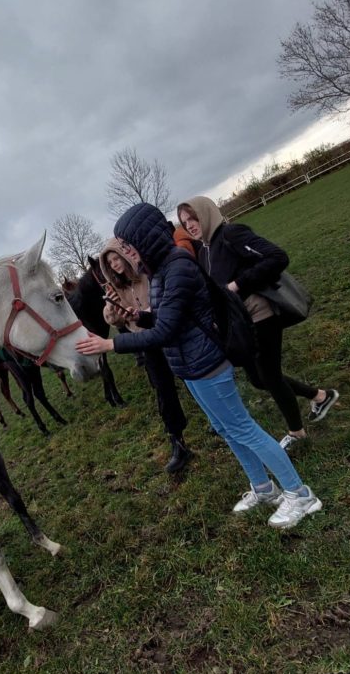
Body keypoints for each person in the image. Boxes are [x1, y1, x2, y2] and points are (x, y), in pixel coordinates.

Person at [77, 203, 323, 529]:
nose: (126, 253)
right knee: (226, 429)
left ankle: (299, 493)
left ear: (144, 239)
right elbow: (167, 320)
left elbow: (164, 332)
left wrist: (110, 344)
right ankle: (264, 488)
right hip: (189, 366)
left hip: (206, 363)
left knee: (242, 427)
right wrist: (137, 316)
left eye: (127, 245)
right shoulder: (161, 271)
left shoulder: (177, 268)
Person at [177, 196, 338, 451]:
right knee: (257, 378)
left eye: (193, 218)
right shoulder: (205, 251)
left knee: (270, 376)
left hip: (261, 314)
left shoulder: (232, 234)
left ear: (206, 214)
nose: (191, 226)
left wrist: (238, 285)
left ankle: (297, 433)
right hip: (240, 322)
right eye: (185, 223)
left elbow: (277, 257)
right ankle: (320, 395)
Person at [99, 238, 191, 475]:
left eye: (116, 258)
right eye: (110, 263)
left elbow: (163, 302)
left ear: (124, 255)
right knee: (162, 389)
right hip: (145, 341)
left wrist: (143, 312)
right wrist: (113, 308)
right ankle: (177, 442)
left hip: (167, 332)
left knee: (190, 376)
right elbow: (115, 321)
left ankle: (216, 419)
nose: (115, 264)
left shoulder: (148, 275)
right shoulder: (116, 288)